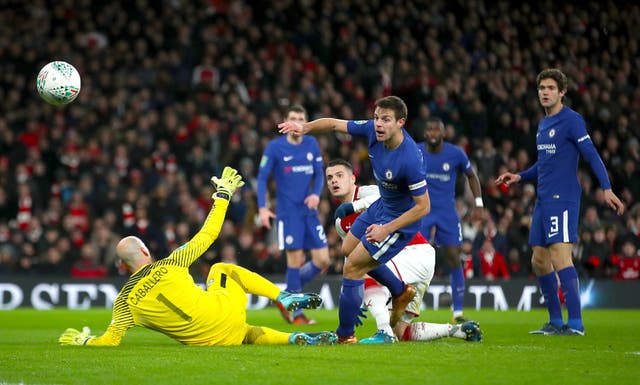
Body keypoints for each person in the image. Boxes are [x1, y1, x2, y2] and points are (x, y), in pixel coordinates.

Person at [59, 167, 337, 347]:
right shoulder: (172, 262)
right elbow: (208, 234)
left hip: (207, 341)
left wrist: (84, 341)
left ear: (122, 266)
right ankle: (283, 297)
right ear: (145, 251)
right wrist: (223, 196)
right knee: (221, 268)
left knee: (245, 333)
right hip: (224, 314)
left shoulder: (123, 302)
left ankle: (294, 338)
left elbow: (109, 341)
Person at [279, 95, 430, 343]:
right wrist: (306, 128)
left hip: (399, 220)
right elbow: (335, 124)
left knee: (352, 268)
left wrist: (385, 230)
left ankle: (345, 335)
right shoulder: (373, 130)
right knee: (348, 248)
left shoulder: (410, 158)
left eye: (386, 120)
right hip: (382, 205)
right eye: (377, 118)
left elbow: (423, 207)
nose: (379, 124)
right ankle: (400, 291)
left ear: (401, 122)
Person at [495, 68, 625, 336]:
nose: (545, 92)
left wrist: (607, 188)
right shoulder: (543, 125)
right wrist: (519, 176)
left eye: (551, 88)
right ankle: (555, 322)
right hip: (543, 199)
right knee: (539, 260)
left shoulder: (572, 120)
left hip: (563, 198)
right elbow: (543, 164)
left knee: (560, 255)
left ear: (562, 92)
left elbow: (591, 154)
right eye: (542, 88)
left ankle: (575, 324)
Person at [326, 159, 482, 344]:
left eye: (339, 175)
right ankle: (458, 330)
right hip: (414, 263)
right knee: (401, 331)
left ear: (353, 179)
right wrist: (351, 295)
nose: (334, 181)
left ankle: (384, 332)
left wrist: (354, 206)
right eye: (329, 178)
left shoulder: (369, 192)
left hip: (412, 251)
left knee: (366, 269)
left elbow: (382, 200)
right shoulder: (341, 223)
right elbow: (350, 259)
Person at [257, 104, 330, 325]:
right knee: (295, 261)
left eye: (300, 118)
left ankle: (286, 296)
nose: (296, 122)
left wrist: (316, 195)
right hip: (288, 214)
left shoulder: (312, 143)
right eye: (293, 118)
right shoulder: (274, 148)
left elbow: (319, 174)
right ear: (286, 122)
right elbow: (261, 178)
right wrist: (262, 207)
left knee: (322, 259)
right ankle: (297, 315)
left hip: (309, 211)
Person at [417, 117, 484, 323]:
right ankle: (411, 307)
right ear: (425, 132)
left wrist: (479, 204)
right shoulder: (416, 151)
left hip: (447, 211)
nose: (433, 134)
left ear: (444, 133)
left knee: (454, 256)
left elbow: (471, 176)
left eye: (437, 130)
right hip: (422, 210)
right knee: (416, 258)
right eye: (429, 129)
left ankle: (458, 312)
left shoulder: (455, 153)